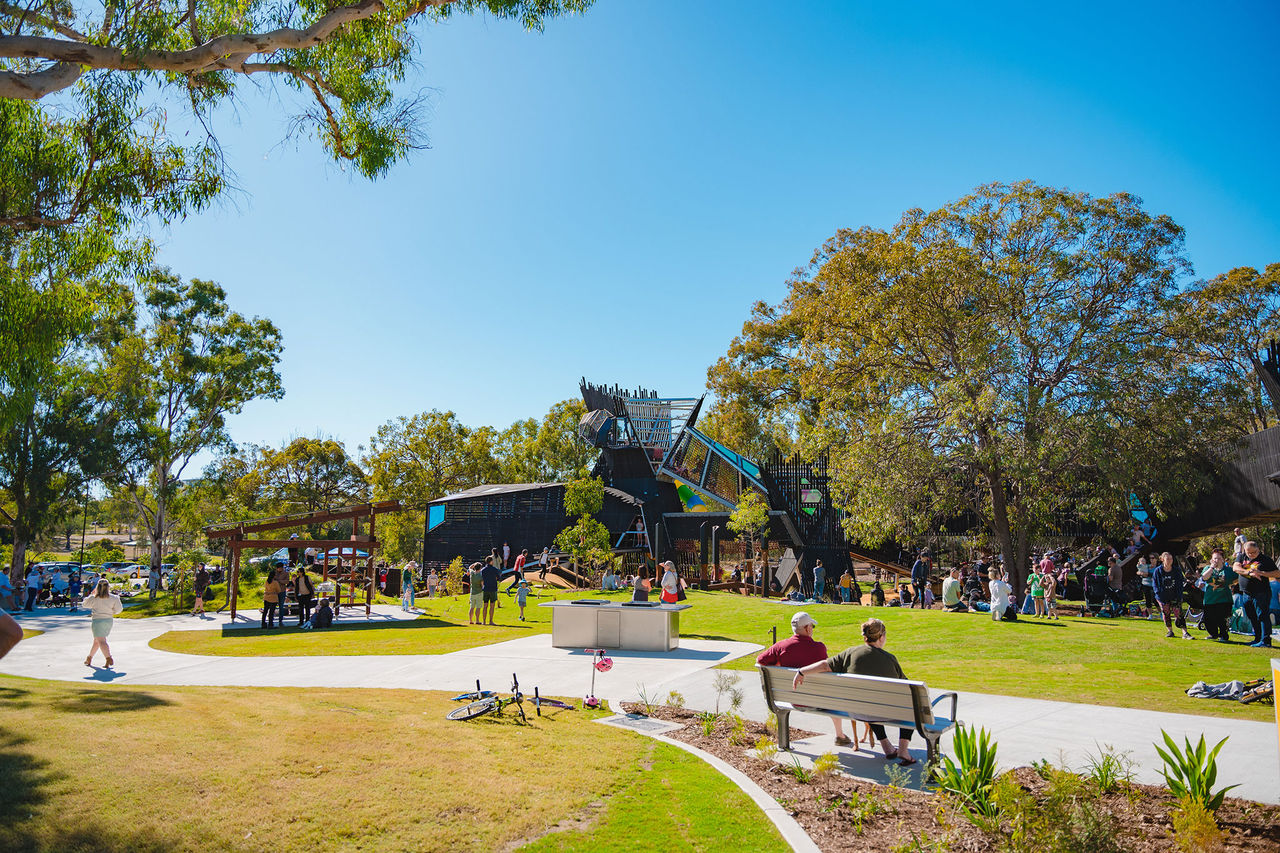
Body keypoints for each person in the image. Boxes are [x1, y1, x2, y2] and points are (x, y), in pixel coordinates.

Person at [792, 618, 916, 764]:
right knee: (911, 706)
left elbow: (825, 665)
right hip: (884, 712)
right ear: (881, 637)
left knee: (870, 701)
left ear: (865, 637)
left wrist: (801, 672)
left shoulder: (850, 654)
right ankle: (903, 749)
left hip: (857, 711)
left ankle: (887, 747)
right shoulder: (889, 659)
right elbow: (907, 686)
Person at [758, 611, 858, 746]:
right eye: (812, 626)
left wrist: (778, 665)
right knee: (831, 695)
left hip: (791, 698)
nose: (812, 629)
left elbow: (760, 661)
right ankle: (840, 735)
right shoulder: (819, 648)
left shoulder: (781, 647)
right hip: (818, 700)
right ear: (807, 628)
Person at [1234, 540, 1279, 648]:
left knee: (1262, 616)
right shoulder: (1242, 556)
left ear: (1258, 549)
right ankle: (1258, 638)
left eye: (1253, 552)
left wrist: (1261, 573)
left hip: (1261, 592)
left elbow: (1277, 573)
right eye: (1248, 552)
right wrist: (1249, 573)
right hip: (1246, 593)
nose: (1250, 555)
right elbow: (1235, 568)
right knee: (1252, 616)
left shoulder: (1265, 560)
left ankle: (1266, 641)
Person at [1152, 552, 1193, 640]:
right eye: (1168, 559)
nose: (1170, 561)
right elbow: (1155, 584)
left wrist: (1180, 593)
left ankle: (1185, 632)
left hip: (1175, 595)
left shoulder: (1176, 570)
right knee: (1166, 613)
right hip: (1163, 596)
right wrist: (1159, 594)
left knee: (1179, 613)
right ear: (1162, 559)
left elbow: (1181, 580)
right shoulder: (1158, 571)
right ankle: (1170, 631)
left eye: (1171, 559)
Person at [83, 578, 123, 667]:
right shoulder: (114, 598)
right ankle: (89, 658)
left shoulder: (94, 598)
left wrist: (91, 594)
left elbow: (84, 604)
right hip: (108, 620)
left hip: (97, 621)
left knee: (101, 641)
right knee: (97, 641)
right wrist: (111, 611)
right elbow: (119, 610)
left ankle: (108, 658)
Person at [1201, 549, 1235, 642]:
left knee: (1222, 619)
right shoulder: (1208, 568)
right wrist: (1212, 567)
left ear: (1223, 559)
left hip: (1224, 599)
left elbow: (1237, 578)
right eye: (1215, 558)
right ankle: (1213, 634)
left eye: (1219, 558)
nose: (1217, 560)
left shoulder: (1228, 570)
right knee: (1209, 619)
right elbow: (1204, 577)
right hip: (1210, 599)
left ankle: (1224, 635)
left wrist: (1232, 584)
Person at [481, 556, 501, 625]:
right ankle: (490, 621)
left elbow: (481, 579)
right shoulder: (494, 569)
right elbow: (499, 577)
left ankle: (484, 621)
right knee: (492, 606)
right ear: (491, 561)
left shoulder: (483, 570)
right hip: (492, 588)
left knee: (485, 605)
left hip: (485, 588)